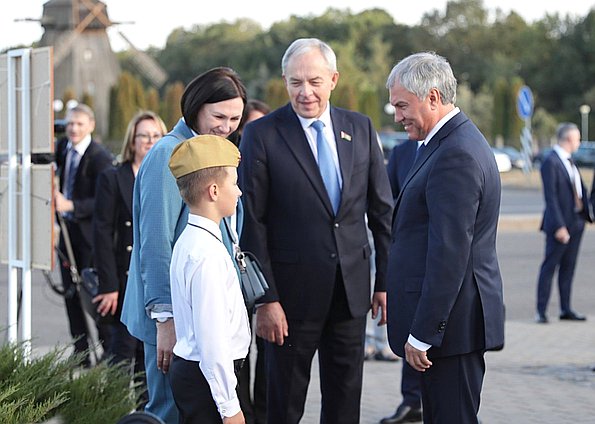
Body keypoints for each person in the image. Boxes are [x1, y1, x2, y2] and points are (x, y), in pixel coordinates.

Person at [239, 38, 393, 424]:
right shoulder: (262, 135)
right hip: (288, 302)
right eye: (295, 82)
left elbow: (382, 213)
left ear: (333, 80)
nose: (305, 92)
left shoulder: (360, 128)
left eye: (314, 81)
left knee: (345, 402)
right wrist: (265, 299)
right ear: (284, 81)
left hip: (350, 294)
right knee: (284, 404)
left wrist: (385, 282)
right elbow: (251, 223)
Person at [121, 67, 247, 423]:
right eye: (218, 116)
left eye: (235, 118)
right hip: (174, 319)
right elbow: (155, 242)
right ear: (195, 108)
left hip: (200, 317)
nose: (226, 126)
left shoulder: (211, 151)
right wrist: (165, 320)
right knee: (169, 412)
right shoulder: (169, 154)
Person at [385, 52, 505, 424]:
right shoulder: (446, 143)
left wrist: (423, 334)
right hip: (451, 329)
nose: (398, 116)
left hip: (450, 331)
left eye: (403, 105)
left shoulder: (456, 154)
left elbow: (449, 255)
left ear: (433, 97)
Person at [168, 134, 250, 424]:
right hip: (208, 381)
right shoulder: (207, 255)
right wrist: (230, 408)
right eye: (234, 183)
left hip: (199, 376)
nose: (239, 192)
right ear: (214, 191)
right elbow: (212, 340)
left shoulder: (190, 240)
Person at [92, 110, 167, 406]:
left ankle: (145, 414)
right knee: (120, 355)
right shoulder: (112, 177)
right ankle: (107, 411)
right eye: (143, 136)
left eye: (155, 136)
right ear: (132, 141)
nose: (149, 141)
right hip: (124, 281)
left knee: (148, 359)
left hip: (155, 279)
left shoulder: (169, 174)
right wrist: (109, 286)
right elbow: (101, 235)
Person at [54, 103, 114, 367]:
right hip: (67, 236)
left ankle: (109, 355)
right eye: (70, 124)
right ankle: (81, 355)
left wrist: (72, 206)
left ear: (90, 125)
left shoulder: (99, 157)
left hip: (90, 239)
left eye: (79, 124)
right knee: (71, 295)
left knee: (93, 296)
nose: (73, 129)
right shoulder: (62, 149)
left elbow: (104, 200)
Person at [379, 140, 422, 424]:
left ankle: (456, 409)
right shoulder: (402, 152)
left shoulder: (454, 144)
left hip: (445, 262)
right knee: (411, 332)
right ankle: (412, 401)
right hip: (408, 261)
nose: (398, 116)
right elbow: (387, 205)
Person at [236, 98, 271, 424]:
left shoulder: (272, 160)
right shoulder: (229, 163)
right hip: (233, 272)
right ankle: (242, 410)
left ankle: (262, 412)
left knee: (269, 348)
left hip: (265, 270)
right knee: (238, 348)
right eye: (248, 128)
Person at [536, 122, 591, 323]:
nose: (579, 142)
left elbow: (579, 191)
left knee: (569, 267)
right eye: (577, 138)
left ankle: (565, 309)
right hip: (560, 226)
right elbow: (551, 198)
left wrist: (587, 213)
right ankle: (541, 311)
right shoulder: (551, 162)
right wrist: (559, 226)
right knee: (550, 266)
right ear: (568, 139)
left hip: (577, 222)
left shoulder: (570, 161)